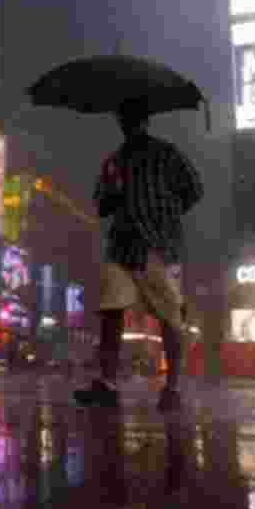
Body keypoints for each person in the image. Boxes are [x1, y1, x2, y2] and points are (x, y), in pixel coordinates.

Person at [74, 99, 204, 412]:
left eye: (133, 117)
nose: (128, 123)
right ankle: (107, 385)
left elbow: (194, 189)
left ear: (144, 120)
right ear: (121, 122)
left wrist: (168, 213)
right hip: (121, 246)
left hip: (157, 246)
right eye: (125, 118)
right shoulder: (114, 161)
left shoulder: (167, 154)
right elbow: (102, 206)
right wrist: (115, 191)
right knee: (111, 312)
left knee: (170, 317)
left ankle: (172, 388)